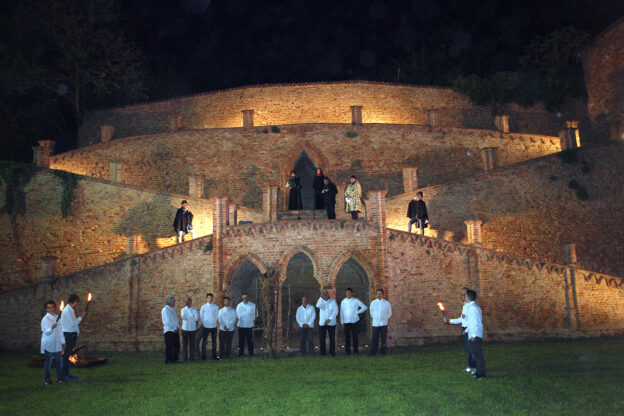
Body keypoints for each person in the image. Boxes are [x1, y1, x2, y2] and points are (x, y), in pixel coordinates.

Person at [445, 287, 476, 374]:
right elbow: (462, 319)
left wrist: (466, 330)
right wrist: (450, 321)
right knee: (468, 349)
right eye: (461, 295)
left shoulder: (471, 307)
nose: (462, 297)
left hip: (469, 330)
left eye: (464, 295)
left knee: (472, 349)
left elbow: (472, 320)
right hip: (464, 329)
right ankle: (470, 366)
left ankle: (474, 367)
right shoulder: (465, 306)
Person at [60, 293, 85, 381]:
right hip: (68, 335)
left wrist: (77, 333)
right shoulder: (67, 310)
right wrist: (81, 317)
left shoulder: (70, 310)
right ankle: (64, 375)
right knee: (66, 356)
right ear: (74, 302)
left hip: (71, 335)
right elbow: (73, 323)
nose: (76, 304)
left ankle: (66, 374)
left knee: (67, 356)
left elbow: (73, 324)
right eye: (77, 302)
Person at [41, 300, 66, 385]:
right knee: (48, 362)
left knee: (59, 360)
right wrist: (51, 328)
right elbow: (46, 332)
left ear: (55, 307)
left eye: (52, 307)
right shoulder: (45, 319)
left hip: (57, 343)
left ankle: (59, 378)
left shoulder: (57, 317)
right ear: (46, 309)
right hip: (48, 343)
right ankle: (46, 379)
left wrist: (63, 342)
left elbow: (60, 330)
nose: (50, 309)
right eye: (49, 307)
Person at [340, 288, 368, 355]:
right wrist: (342, 322)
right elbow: (341, 312)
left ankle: (355, 351)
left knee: (355, 337)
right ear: (345, 293)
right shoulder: (343, 301)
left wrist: (357, 312)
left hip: (354, 321)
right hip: (346, 322)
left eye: (349, 292)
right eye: (347, 292)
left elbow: (364, 307)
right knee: (347, 337)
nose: (348, 294)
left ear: (352, 293)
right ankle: (347, 351)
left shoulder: (356, 300)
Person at [465, 290, 486, 379]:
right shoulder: (474, 307)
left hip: (475, 335)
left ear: (469, 297)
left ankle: (481, 374)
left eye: (465, 296)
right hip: (475, 333)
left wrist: (473, 335)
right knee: (477, 355)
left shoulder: (472, 308)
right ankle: (478, 372)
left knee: (478, 355)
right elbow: (471, 322)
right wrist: (466, 330)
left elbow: (474, 322)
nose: (464, 297)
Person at [369, 289, 392, 356]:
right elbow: (371, 312)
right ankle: (373, 352)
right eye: (378, 293)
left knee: (383, 339)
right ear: (376, 294)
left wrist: (385, 318)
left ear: (382, 294)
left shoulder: (386, 303)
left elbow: (389, 313)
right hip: (375, 323)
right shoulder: (373, 303)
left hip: (384, 323)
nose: (379, 295)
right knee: (374, 339)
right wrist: (376, 317)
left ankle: (383, 352)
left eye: (380, 293)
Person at [316, 290, 338, 356]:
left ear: (328, 294)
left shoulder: (333, 301)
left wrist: (330, 319)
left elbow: (336, 311)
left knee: (332, 338)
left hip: (331, 323)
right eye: (323, 294)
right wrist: (321, 298)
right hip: (322, 323)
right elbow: (317, 306)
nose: (325, 295)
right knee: (322, 338)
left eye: (326, 294)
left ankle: (332, 352)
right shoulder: (320, 301)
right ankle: (323, 353)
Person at [200, 293, 219, 360]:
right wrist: (204, 323)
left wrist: (214, 321)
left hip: (213, 326)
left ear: (212, 298)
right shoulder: (203, 307)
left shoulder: (215, 306)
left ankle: (214, 355)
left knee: (214, 341)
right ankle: (203, 356)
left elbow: (217, 315)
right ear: (206, 298)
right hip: (206, 326)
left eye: (211, 297)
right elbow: (201, 316)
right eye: (208, 297)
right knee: (204, 341)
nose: (210, 299)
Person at [162, 296, 180, 364]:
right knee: (169, 346)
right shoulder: (165, 310)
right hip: (169, 330)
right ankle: (168, 359)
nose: (174, 303)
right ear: (169, 302)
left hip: (175, 330)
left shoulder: (173, 309)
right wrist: (174, 327)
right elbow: (167, 321)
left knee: (177, 345)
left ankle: (175, 359)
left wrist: (177, 327)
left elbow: (176, 319)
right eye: (173, 301)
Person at [180, 297, 198, 361]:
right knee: (185, 345)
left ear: (191, 302)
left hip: (192, 329)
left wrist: (190, 317)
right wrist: (192, 316)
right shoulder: (183, 310)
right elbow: (183, 317)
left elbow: (196, 318)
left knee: (192, 345)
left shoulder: (194, 309)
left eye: (190, 301)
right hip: (185, 329)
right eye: (187, 301)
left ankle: (192, 358)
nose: (189, 302)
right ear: (186, 302)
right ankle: (185, 358)